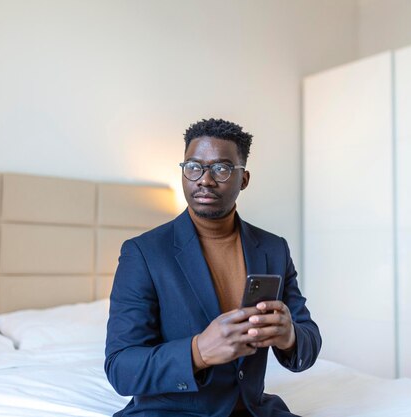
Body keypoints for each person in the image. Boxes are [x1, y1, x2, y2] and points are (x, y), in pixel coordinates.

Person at [105, 118, 321, 417]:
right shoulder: (144, 253)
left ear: (243, 179)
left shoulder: (273, 248)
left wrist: (290, 337)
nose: (204, 179)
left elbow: (309, 339)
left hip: (255, 410)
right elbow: (121, 368)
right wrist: (198, 352)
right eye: (193, 166)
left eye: (221, 168)